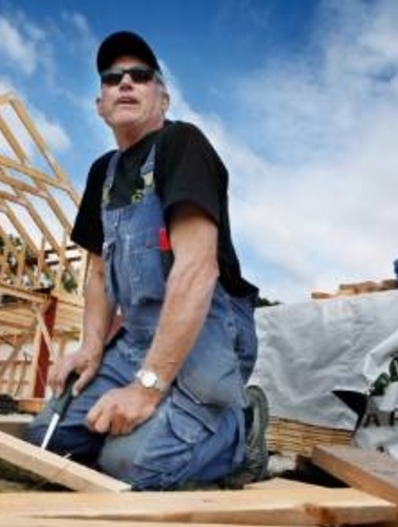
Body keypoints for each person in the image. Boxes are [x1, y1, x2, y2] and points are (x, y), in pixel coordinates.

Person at [25, 31, 268, 490]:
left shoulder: (182, 145)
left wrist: (147, 388)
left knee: (132, 468)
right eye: (113, 78)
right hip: (138, 340)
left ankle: (240, 429)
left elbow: (198, 269)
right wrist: (92, 345)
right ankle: (170, 429)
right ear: (100, 104)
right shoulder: (103, 172)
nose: (126, 83)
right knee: (45, 444)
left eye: (141, 76)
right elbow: (98, 272)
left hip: (207, 336)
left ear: (163, 97)